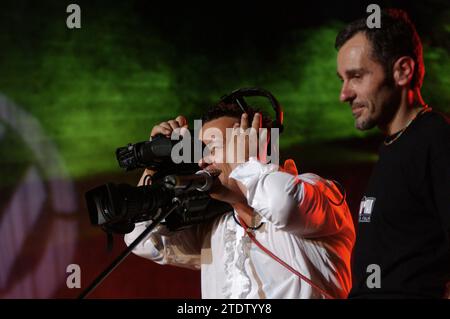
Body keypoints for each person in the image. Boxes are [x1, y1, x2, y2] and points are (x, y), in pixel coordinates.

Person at [124, 101, 355, 298]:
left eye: (213, 147)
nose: (202, 161)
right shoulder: (216, 228)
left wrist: (247, 163)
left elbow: (282, 204)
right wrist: (155, 167)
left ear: (256, 145)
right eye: (200, 151)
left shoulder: (318, 190)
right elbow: (141, 238)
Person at [335, 9, 450, 298]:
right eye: (342, 79)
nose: (344, 94)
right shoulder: (394, 144)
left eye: (356, 76)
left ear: (403, 71)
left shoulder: (437, 140)